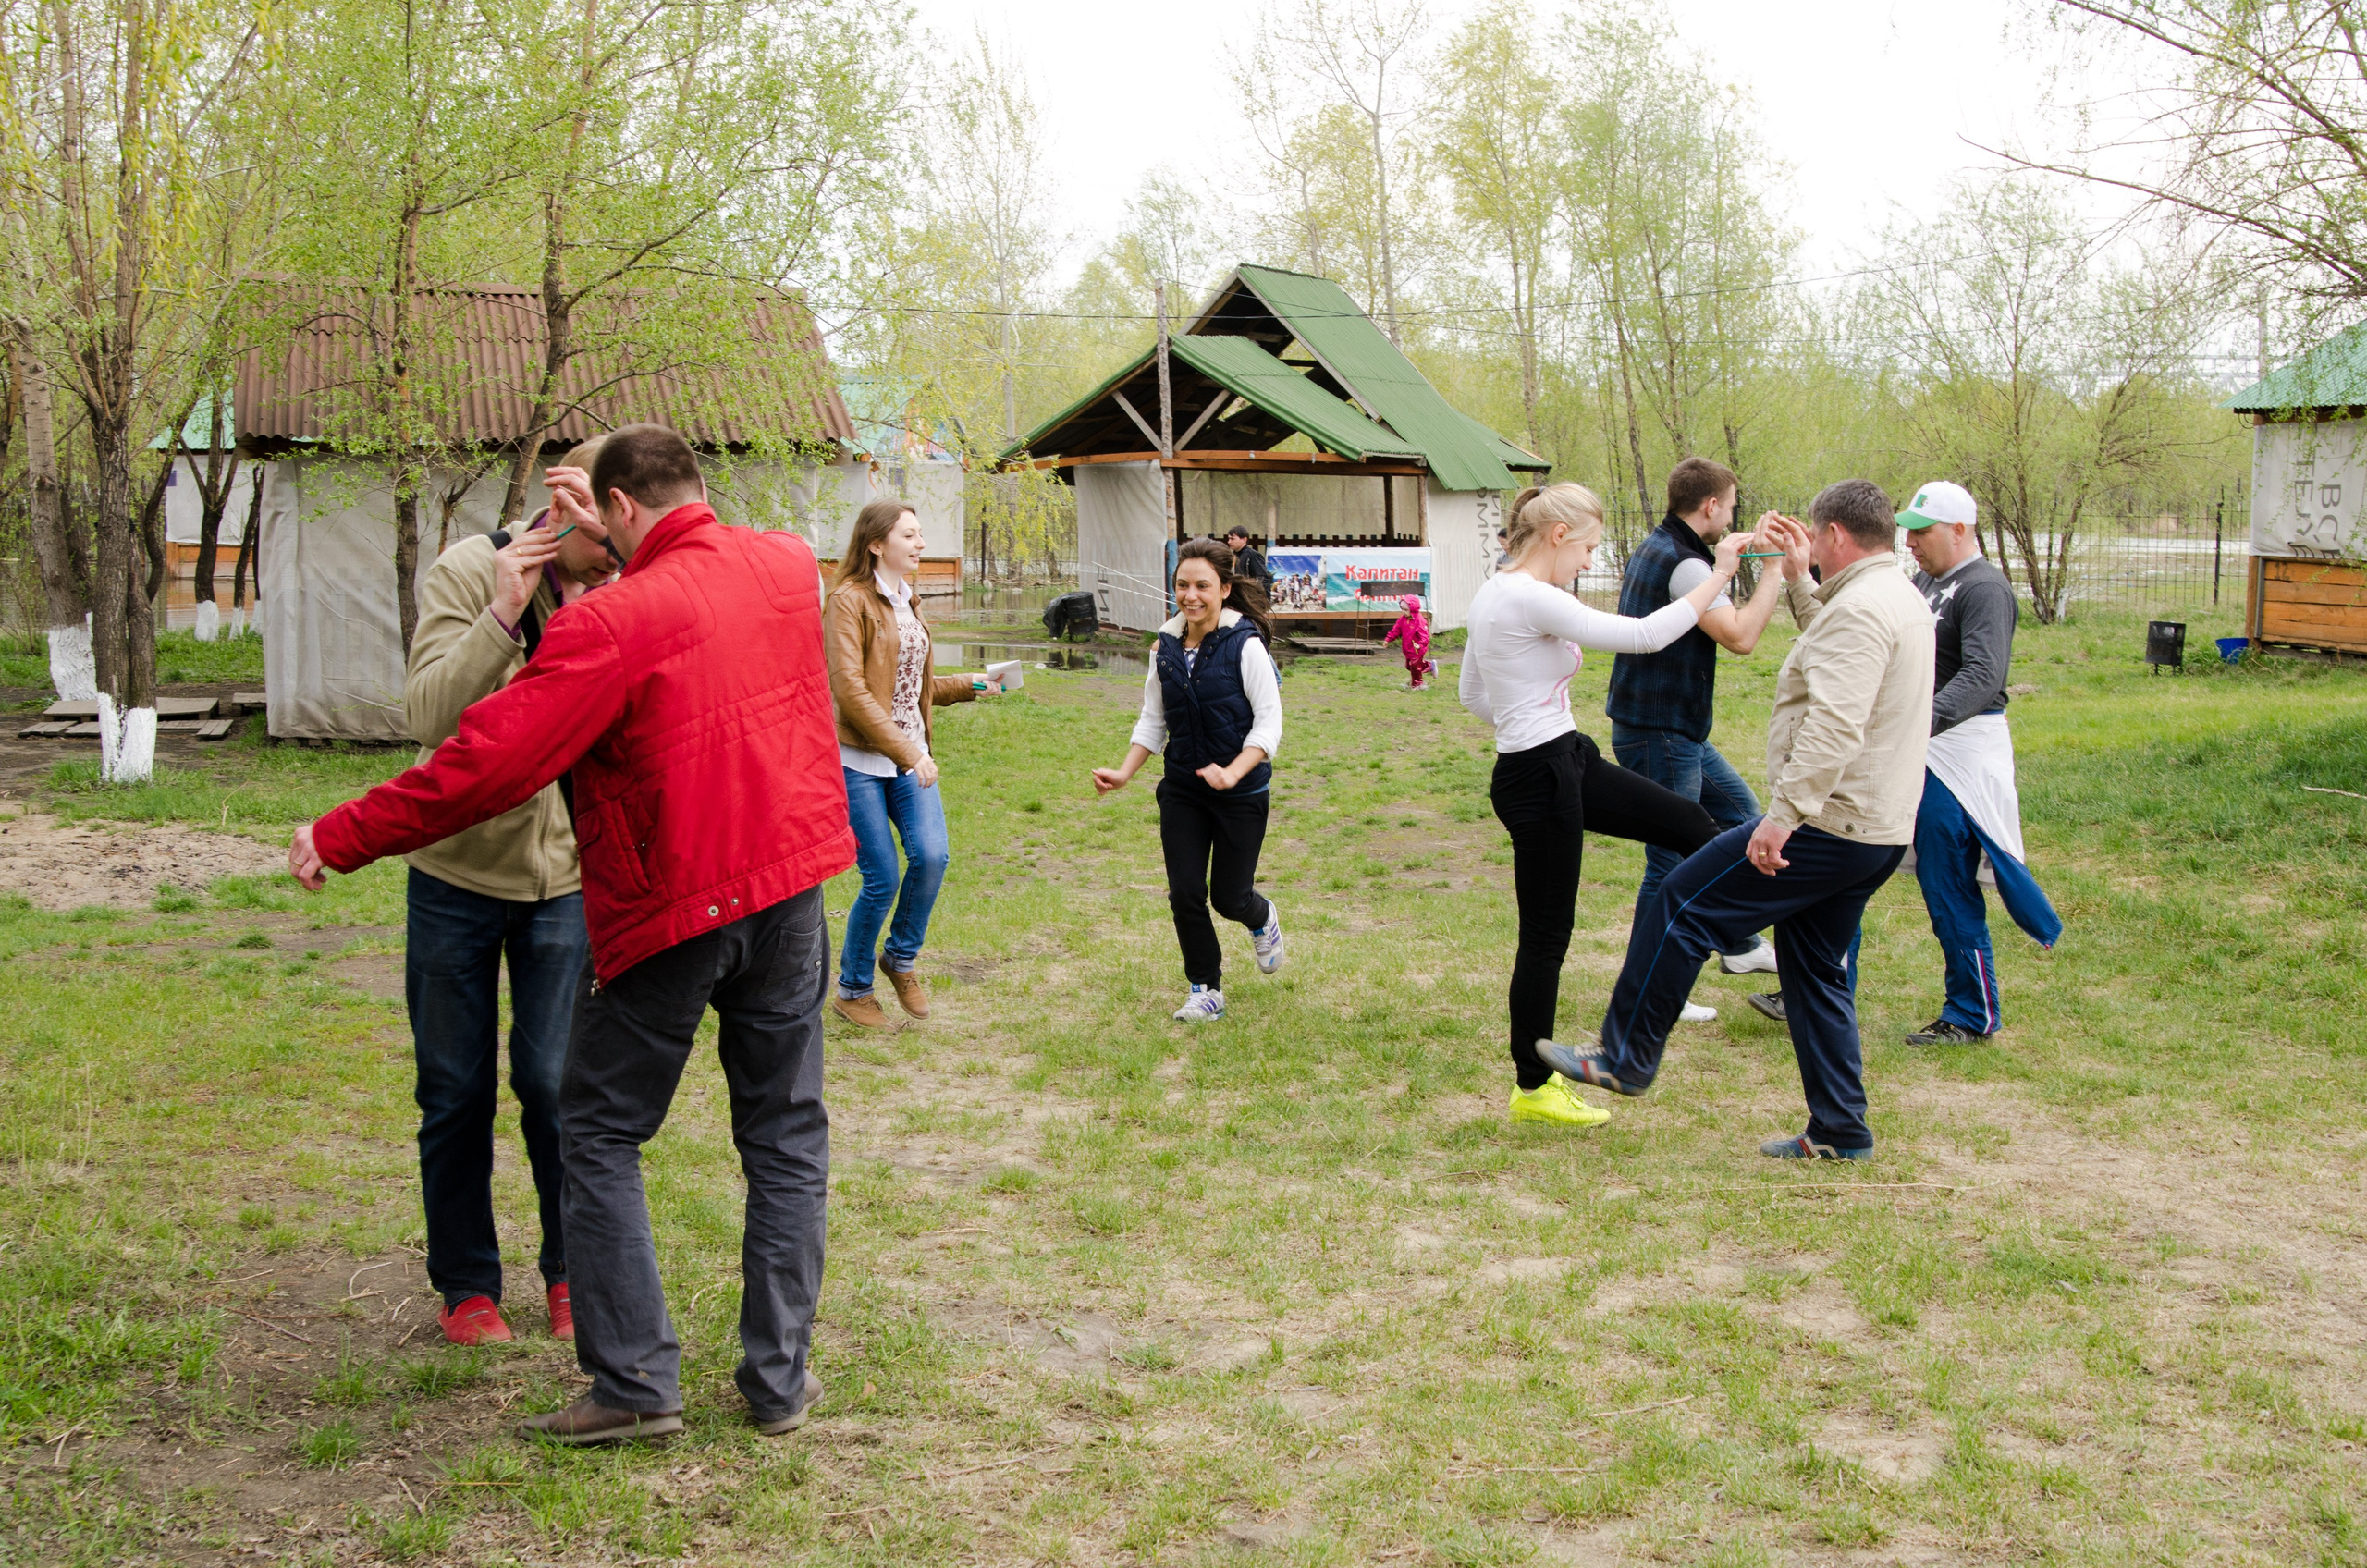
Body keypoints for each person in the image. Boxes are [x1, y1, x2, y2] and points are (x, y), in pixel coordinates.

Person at [288, 423, 853, 1445]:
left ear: (616, 507)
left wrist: (345, 831)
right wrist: (630, 536)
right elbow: (700, 563)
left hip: (677, 903)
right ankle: (779, 1381)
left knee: (597, 1130)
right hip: (789, 894)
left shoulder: (611, 622)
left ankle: (634, 1383)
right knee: (784, 1138)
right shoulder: (783, 564)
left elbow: (487, 762)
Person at [1543, 480, 1936, 1161]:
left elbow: (1836, 725)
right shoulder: (1894, 596)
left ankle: (1626, 1056)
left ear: (1835, 535)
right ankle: (1840, 1132)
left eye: (1816, 538)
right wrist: (1797, 577)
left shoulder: (1861, 610)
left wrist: (1782, 818)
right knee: (1814, 970)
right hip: (1877, 829)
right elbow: (1838, 642)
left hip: (1829, 825)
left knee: (1682, 903)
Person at [399, 437, 621, 1348]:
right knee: (455, 1087)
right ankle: (467, 1286)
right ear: (560, 508)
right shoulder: (468, 569)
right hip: (455, 872)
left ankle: (571, 1272)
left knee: (555, 1084)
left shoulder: (622, 590)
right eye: (601, 533)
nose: (614, 551)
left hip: (564, 880)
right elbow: (428, 714)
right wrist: (502, 613)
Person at [1458, 482, 1755, 1131]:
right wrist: (1719, 574)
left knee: (1692, 824)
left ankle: (1740, 939)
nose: (1590, 560)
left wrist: (1532, 718)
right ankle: (1533, 1088)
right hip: (1539, 777)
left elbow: (1472, 694)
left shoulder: (1497, 593)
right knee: (1546, 937)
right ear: (1558, 535)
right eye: (1589, 547)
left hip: (1566, 757)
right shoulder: (1529, 596)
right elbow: (1645, 636)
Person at [1607, 458, 1797, 1025]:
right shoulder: (1688, 565)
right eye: (1731, 506)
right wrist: (1773, 570)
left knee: (1742, 818)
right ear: (1710, 505)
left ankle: (1738, 943)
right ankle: (1652, 985)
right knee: (1668, 860)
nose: (1732, 516)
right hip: (1661, 734)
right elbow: (1741, 636)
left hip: (1671, 730)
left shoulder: (1660, 544)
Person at [1091, 537, 1285, 1022]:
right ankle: (1205, 988)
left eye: (1202, 586)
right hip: (1182, 788)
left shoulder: (1246, 645)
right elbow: (1154, 719)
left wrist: (1233, 772)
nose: (1190, 595)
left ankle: (1262, 917)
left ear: (1224, 589)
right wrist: (1124, 772)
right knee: (1184, 892)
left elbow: (1269, 725)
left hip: (1241, 793)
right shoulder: (1165, 648)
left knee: (1230, 898)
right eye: (1182, 585)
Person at [824, 498, 1001, 1029]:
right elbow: (852, 692)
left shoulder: (909, 600)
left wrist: (969, 685)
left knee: (932, 856)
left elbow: (905, 689)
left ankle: (900, 958)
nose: (921, 543)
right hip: (860, 760)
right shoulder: (847, 601)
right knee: (881, 878)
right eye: (909, 534)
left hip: (908, 757)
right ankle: (853, 990)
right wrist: (909, 752)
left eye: (920, 534)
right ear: (877, 544)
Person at [1895, 480, 2060, 1045]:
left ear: (1959, 530)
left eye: (1922, 532)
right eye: (1909, 532)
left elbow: (1985, 675)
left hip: (1958, 755)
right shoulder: (1925, 580)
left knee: (1947, 881)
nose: (1911, 543)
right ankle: (1819, 984)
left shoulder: (1985, 587)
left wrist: (1919, 721)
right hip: (1919, 747)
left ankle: (1971, 1012)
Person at [1382, 594, 1435, 689]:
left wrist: (1420, 645)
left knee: (1415, 666)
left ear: (1413, 609)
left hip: (1417, 649)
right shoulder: (1402, 619)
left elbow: (1425, 636)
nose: (1404, 612)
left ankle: (1418, 684)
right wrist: (1388, 639)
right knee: (1409, 666)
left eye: (1406, 610)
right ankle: (1430, 666)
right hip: (1408, 649)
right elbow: (1396, 630)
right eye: (1402, 609)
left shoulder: (1419, 621)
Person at [1223, 525, 1272, 594]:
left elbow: (1263, 579)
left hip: (1250, 596)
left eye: (1232, 539)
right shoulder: (1233, 555)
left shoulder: (1252, 555)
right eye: (1229, 539)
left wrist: (1264, 599)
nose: (1229, 542)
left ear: (1244, 539)